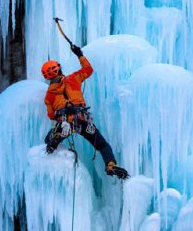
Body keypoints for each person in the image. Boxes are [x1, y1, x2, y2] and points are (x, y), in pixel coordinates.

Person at [41, 45, 129, 179]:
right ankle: (110, 165)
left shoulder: (49, 95)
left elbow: (51, 115)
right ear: (59, 69)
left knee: (47, 140)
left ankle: (56, 137)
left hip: (65, 121)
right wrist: (79, 54)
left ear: (47, 77)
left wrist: (60, 113)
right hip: (83, 120)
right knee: (102, 145)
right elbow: (88, 69)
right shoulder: (73, 78)